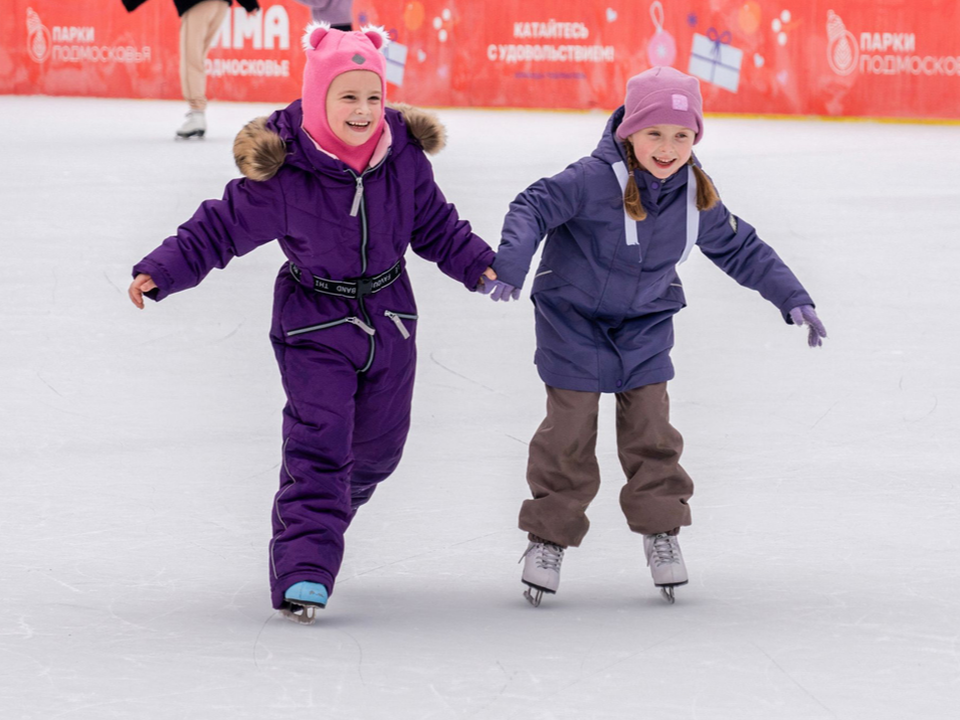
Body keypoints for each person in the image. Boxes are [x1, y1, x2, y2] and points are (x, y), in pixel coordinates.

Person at [128, 23, 496, 623]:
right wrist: (162, 271)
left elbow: (435, 226)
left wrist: (479, 264)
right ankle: (304, 569)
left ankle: (326, 509)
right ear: (318, 96)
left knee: (378, 450)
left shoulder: (401, 156)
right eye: (347, 96)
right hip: (313, 324)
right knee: (320, 448)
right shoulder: (288, 168)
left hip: (391, 314)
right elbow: (218, 228)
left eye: (373, 97)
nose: (363, 110)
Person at [480, 66, 827, 606]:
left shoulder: (695, 195)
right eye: (655, 134)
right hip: (571, 318)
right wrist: (511, 262)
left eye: (682, 136)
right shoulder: (593, 179)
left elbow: (742, 249)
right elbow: (534, 205)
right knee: (569, 429)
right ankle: (547, 539)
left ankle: (662, 532)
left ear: (695, 139)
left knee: (651, 426)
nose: (667, 147)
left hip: (644, 321)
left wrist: (792, 297)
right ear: (629, 133)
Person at [122, 0, 261, 139]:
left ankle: (196, 114)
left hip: (197, 4)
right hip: (220, 5)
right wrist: (249, 3)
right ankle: (197, 113)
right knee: (197, 58)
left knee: (191, 59)